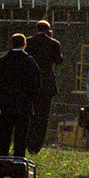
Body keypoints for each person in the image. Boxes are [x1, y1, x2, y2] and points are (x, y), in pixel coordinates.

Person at [0, 34, 41, 158]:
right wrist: (29, 96)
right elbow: (37, 84)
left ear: (11, 44)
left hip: (7, 105)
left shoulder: (3, 61)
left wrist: (1, 95)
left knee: (4, 136)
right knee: (21, 138)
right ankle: (19, 163)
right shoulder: (29, 61)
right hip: (24, 105)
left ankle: (2, 160)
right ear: (25, 45)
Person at [24, 19, 63, 154]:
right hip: (46, 84)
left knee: (29, 114)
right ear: (48, 30)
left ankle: (26, 141)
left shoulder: (28, 42)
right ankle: (36, 146)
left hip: (30, 83)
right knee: (43, 117)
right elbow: (59, 60)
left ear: (36, 29)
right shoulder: (53, 43)